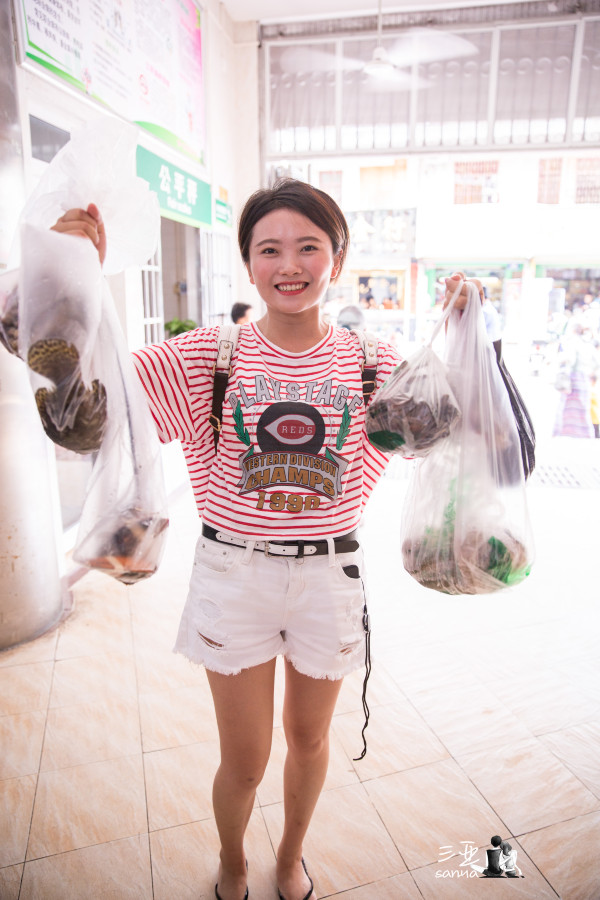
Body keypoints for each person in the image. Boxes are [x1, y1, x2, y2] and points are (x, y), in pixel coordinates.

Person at [51, 181, 474, 900]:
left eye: (309, 246)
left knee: (309, 742)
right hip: (233, 577)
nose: (290, 264)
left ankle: (290, 858)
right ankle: (234, 859)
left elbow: (455, 428)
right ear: (247, 263)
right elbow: (86, 400)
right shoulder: (203, 357)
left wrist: (460, 335)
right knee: (243, 762)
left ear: (336, 260)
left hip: (328, 577)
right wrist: (70, 284)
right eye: (269, 248)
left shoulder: (374, 363)